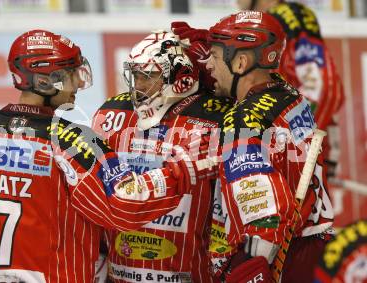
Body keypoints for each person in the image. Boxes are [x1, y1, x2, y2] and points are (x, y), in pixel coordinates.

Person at [0, 29, 211, 283]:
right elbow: (126, 204)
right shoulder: (74, 140)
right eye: (69, 74)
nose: (77, 82)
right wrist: (183, 168)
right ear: (43, 81)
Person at [91, 31, 233, 282]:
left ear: (178, 76)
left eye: (148, 76)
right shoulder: (110, 115)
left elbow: (226, 207)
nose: (139, 86)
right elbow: (96, 200)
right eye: (135, 75)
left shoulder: (216, 118)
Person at [203, 11, 334, 282]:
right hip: (317, 246)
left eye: (214, 56)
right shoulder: (288, 93)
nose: (207, 65)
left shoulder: (241, 121)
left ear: (240, 62)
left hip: (282, 258)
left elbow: (262, 210)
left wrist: (253, 265)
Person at [175, 0, 345, 178]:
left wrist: (297, 143)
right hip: (291, 157)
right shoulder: (272, 24)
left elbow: (325, 89)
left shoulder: (288, 15)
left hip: (294, 163)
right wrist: (218, 50)